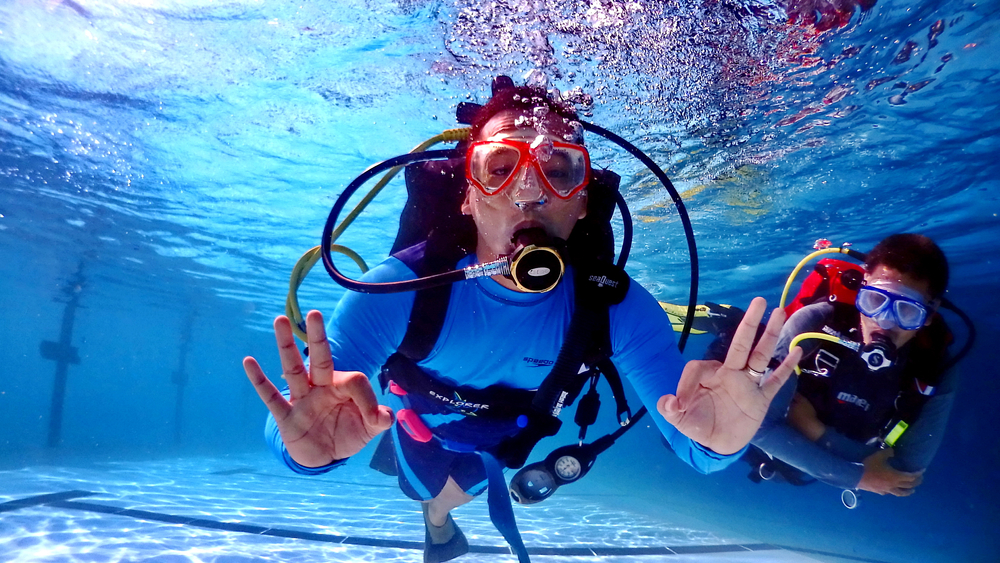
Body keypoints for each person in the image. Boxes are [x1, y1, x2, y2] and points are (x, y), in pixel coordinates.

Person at [243, 80, 802, 563]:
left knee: (459, 485)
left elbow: (693, 441)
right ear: (468, 195)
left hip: (511, 437)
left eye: (559, 170)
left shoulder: (616, 308)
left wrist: (719, 444)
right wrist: (301, 449)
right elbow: (301, 424)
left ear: (583, 201)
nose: (529, 193)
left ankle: (441, 522)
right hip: (416, 423)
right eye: (500, 168)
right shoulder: (399, 292)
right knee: (424, 494)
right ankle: (436, 527)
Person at [752, 234, 957, 498]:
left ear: (929, 314)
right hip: (790, 450)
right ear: (862, 286)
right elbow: (758, 427)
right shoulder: (813, 325)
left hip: (808, 445)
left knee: (789, 471)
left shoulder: (936, 365)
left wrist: (813, 431)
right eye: (875, 301)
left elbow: (905, 474)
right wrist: (859, 476)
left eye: (906, 312)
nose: (884, 323)